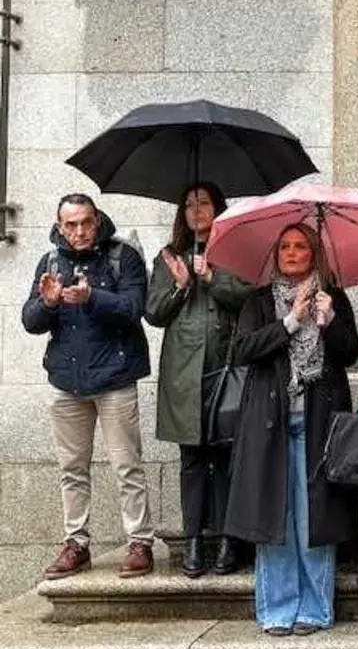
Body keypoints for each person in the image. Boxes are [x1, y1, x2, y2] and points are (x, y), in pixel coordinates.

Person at [224, 224, 358, 636]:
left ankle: (316, 610)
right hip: (271, 423)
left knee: (313, 519)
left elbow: (350, 354)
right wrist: (289, 322)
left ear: (314, 253)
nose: (292, 252)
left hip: (319, 422)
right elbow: (243, 350)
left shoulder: (332, 297)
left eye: (301, 246)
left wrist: (328, 320)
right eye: (285, 246)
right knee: (276, 517)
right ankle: (278, 609)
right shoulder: (260, 300)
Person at [23, 193, 155, 580]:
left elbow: (135, 309)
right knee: (71, 468)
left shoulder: (122, 256)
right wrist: (47, 304)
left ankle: (139, 541)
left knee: (127, 465)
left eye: (85, 222)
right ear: (59, 225)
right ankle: (76, 543)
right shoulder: (50, 261)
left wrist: (92, 297)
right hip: (67, 381)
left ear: (97, 221)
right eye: (70, 225)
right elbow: (30, 321)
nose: (79, 231)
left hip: (114, 378)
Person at [144, 182, 251, 578]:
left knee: (225, 454)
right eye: (188, 204)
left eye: (204, 203)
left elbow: (246, 296)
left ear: (217, 208)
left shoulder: (233, 253)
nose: (196, 211)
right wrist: (181, 284)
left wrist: (210, 278)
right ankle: (192, 540)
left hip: (225, 366)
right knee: (191, 458)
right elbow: (153, 312)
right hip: (184, 372)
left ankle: (226, 539)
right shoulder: (168, 257)